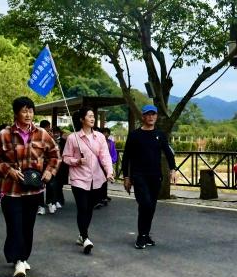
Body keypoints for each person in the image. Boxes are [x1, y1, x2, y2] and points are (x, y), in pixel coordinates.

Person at [0, 96, 60, 277]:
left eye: (30, 111)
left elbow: (55, 155)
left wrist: (49, 171)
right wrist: (8, 170)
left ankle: (22, 257)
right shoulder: (4, 134)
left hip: (34, 190)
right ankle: (19, 260)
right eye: (24, 111)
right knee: (15, 226)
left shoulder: (42, 134)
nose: (28, 114)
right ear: (16, 113)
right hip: (11, 190)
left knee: (28, 226)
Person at [122, 104, 177, 250]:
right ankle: (141, 236)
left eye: (153, 114)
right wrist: (126, 177)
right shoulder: (134, 135)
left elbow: (169, 153)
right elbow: (126, 157)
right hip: (139, 176)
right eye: (148, 114)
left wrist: (173, 169)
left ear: (156, 116)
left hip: (155, 176)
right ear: (143, 116)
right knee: (145, 204)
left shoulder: (160, 135)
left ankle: (146, 234)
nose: (151, 117)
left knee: (151, 207)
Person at [62, 107, 113, 254]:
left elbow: (105, 156)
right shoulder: (73, 138)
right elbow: (65, 158)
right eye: (89, 116)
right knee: (82, 207)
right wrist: (77, 161)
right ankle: (85, 238)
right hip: (79, 178)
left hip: (96, 179)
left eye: (93, 116)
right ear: (81, 119)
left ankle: (81, 234)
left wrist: (109, 171)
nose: (92, 118)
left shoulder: (100, 137)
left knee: (89, 208)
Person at [38, 120, 62, 215]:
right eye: (47, 129)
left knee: (51, 185)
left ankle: (50, 203)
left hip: (50, 165)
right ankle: (41, 206)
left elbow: (57, 153)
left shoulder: (51, 138)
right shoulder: (37, 137)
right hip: (39, 166)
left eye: (49, 130)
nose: (48, 131)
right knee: (39, 186)